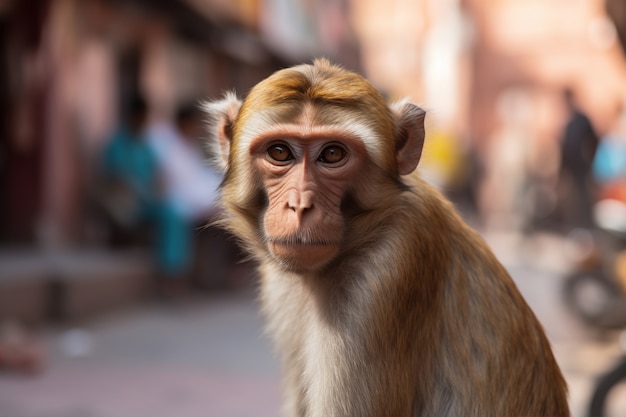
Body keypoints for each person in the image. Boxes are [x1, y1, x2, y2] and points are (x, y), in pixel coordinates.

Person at [100, 95, 190, 294]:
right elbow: (114, 179)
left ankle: (172, 272)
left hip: (146, 202)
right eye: (142, 117)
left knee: (174, 212)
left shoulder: (145, 145)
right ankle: (169, 275)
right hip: (124, 204)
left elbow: (155, 175)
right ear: (133, 116)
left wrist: (158, 189)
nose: (144, 122)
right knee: (166, 213)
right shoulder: (117, 143)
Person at [557, 88, 599, 230]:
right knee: (571, 198)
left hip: (582, 166)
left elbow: (593, 140)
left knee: (584, 196)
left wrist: (589, 158)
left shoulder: (582, 120)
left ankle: (587, 225)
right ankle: (576, 226)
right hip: (571, 167)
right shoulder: (568, 122)